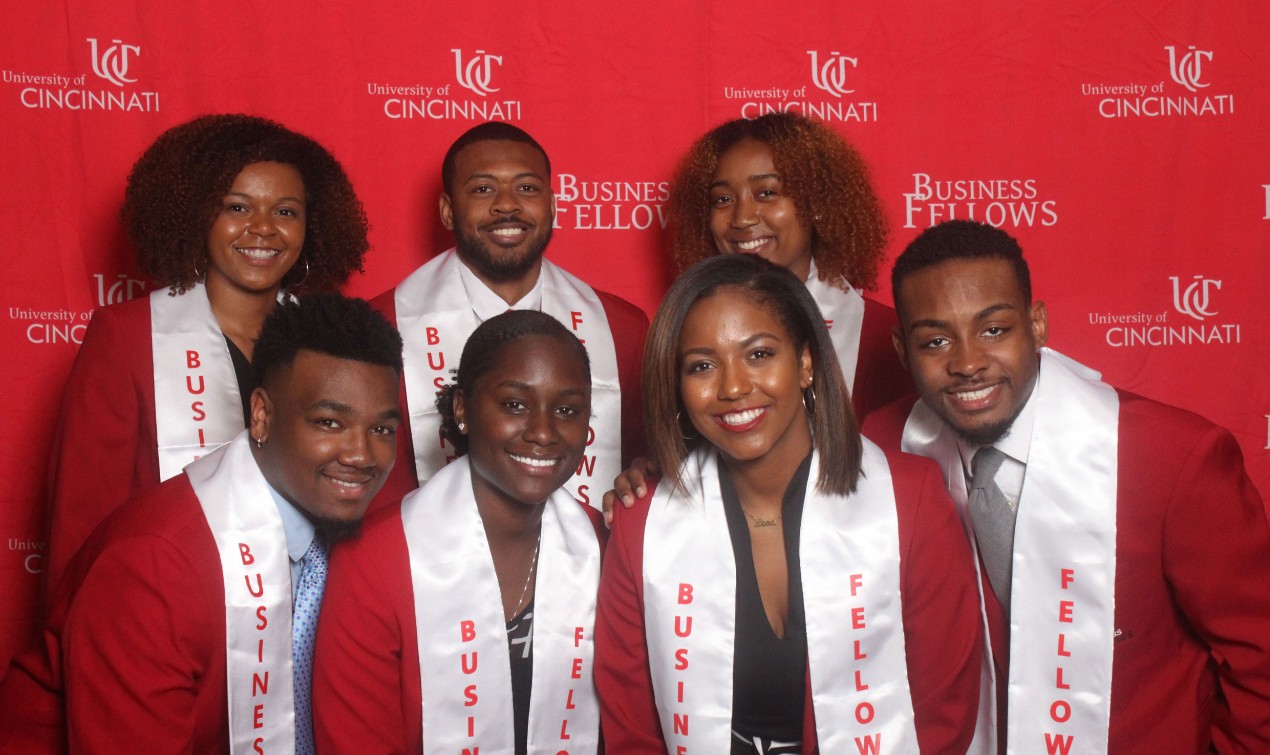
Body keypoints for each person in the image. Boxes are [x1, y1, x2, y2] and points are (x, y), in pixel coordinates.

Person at [861, 220, 1270, 753]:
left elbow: (1269, 657)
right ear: (902, 349)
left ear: (1036, 325)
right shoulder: (881, 445)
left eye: (994, 330)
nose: (967, 363)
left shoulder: (1173, 456)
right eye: (936, 340)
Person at [594, 254, 982, 754]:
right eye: (703, 366)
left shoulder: (911, 500)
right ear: (679, 386)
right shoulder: (641, 522)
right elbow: (633, 727)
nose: (733, 387)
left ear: (804, 363)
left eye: (758, 355)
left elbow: (943, 710)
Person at [0, 294, 402, 753]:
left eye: (382, 430)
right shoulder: (153, 567)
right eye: (329, 423)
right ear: (262, 415)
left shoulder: (352, 538)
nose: (361, 456)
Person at [43, 114, 370, 600]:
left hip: (307, 615)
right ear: (199, 216)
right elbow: (82, 522)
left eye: (286, 212)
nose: (262, 229)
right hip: (161, 606)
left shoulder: (336, 344)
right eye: (237, 207)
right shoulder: (127, 338)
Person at [313, 309, 605, 754]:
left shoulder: (601, 541)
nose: (544, 432)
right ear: (463, 410)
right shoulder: (374, 559)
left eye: (566, 409)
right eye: (514, 405)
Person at [369, 120, 647, 510]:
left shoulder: (624, 330)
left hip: (590, 562)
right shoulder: (378, 328)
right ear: (448, 211)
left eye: (527, 188)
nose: (507, 204)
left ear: (552, 205)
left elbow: (645, 476)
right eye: (483, 189)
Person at [669, 111, 913, 421]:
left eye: (767, 193)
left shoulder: (881, 339)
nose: (742, 217)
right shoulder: (683, 336)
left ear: (818, 206)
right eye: (722, 199)